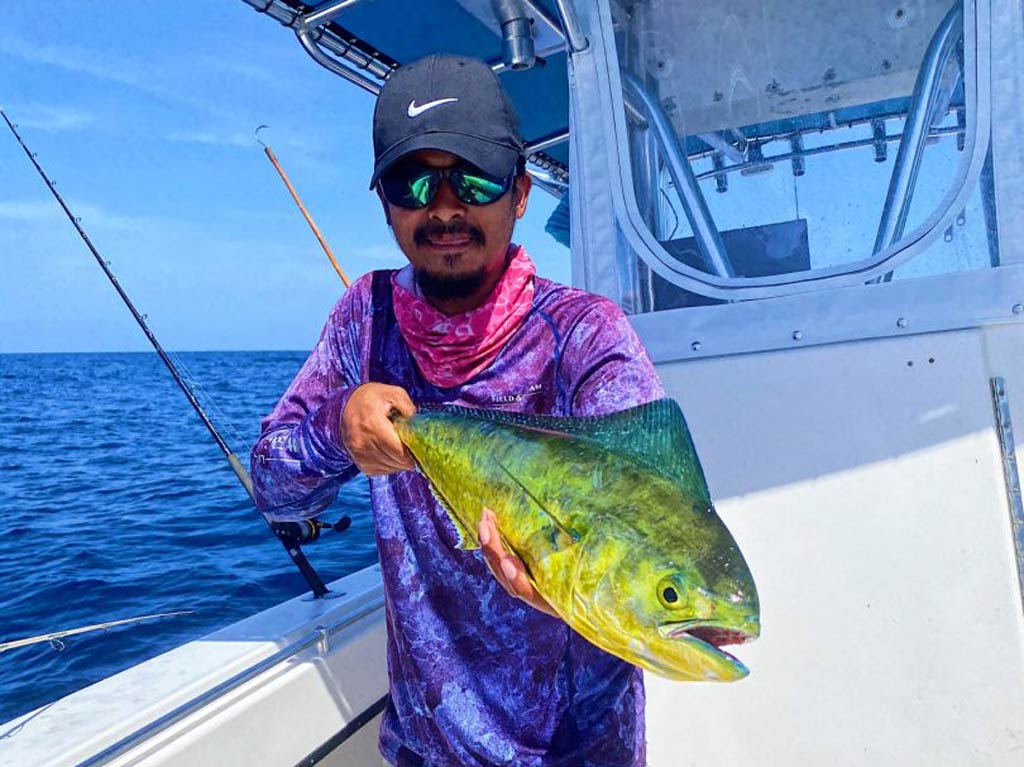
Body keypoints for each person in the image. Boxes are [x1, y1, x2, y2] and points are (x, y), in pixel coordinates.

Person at [251, 54, 664, 767]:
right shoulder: (364, 319)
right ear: (386, 202)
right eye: (415, 182)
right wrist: (337, 427)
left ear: (521, 191)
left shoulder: (586, 336)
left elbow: (646, 511)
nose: (444, 206)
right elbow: (273, 484)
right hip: (425, 751)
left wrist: (562, 588)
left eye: (472, 177)